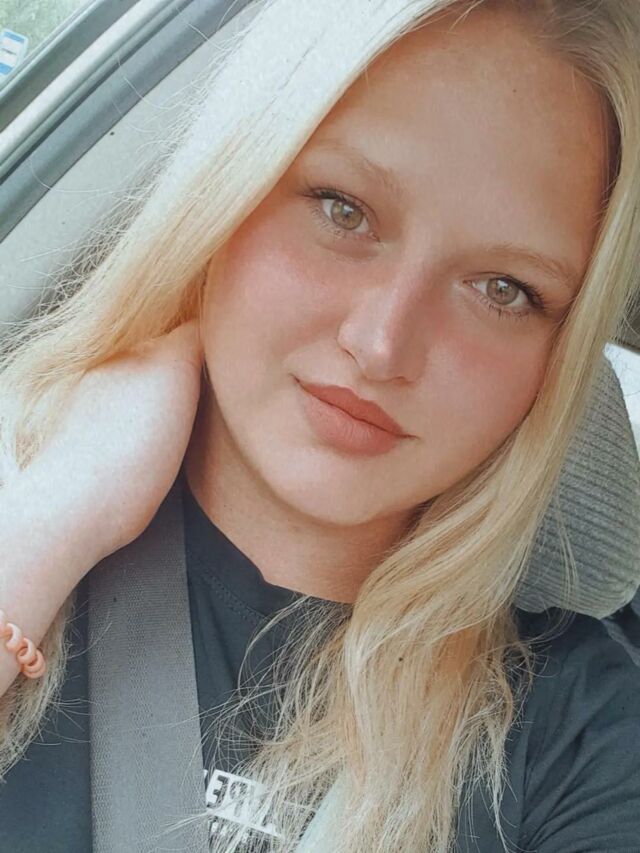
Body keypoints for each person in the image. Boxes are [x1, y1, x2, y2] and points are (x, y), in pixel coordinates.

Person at [0, 0, 639, 850]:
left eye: (502, 290)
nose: (381, 344)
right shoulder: (24, 510)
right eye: (343, 209)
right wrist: (47, 524)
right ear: (228, 191)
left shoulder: (583, 733)